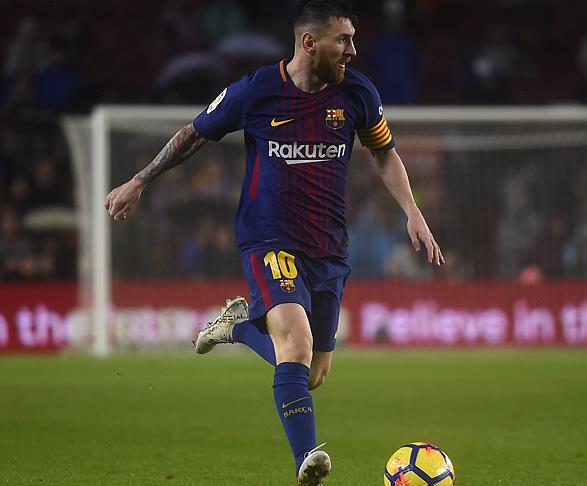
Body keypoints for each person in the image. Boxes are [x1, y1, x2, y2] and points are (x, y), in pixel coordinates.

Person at [103, 1, 444, 484]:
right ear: (310, 42)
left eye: (352, 39)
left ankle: (239, 327)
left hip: (329, 248)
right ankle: (307, 460)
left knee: (312, 373)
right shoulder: (257, 90)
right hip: (268, 240)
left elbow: (384, 153)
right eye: (343, 40)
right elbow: (194, 134)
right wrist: (140, 180)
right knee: (296, 343)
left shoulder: (358, 93)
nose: (352, 49)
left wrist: (412, 211)